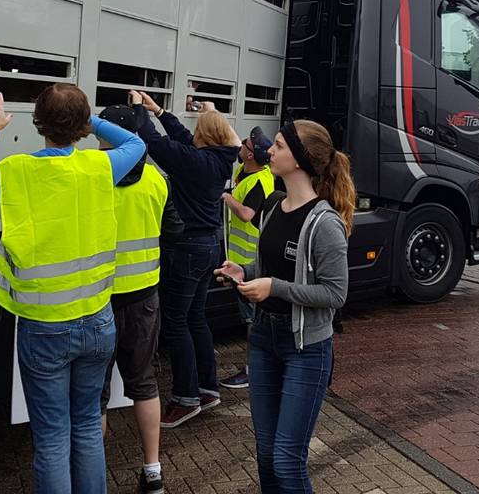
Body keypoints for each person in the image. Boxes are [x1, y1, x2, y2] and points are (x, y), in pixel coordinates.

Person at [0, 86, 146, 494]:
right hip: (98, 323)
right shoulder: (101, 167)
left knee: (53, 437)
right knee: (86, 429)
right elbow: (136, 140)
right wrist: (86, 120)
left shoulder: (18, 171)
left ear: (37, 122)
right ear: (81, 127)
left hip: (45, 329)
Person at [214, 119, 351, 494]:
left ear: (301, 158)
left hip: (305, 350)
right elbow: (273, 264)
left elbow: (335, 295)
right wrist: (245, 271)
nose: (268, 152)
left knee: (287, 461)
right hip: (263, 340)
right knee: (265, 453)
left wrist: (274, 287)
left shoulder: (325, 223)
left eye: (277, 145)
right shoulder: (274, 205)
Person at [127, 90, 239, 428]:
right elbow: (182, 137)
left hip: (187, 249)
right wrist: (159, 110)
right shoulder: (221, 157)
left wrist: (136, 109)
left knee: (176, 323)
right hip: (208, 249)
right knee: (195, 320)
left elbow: (152, 141)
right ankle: (208, 388)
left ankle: (186, 397)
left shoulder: (196, 161)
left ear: (204, 135)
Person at [95, 104, 180, 494]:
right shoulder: (157, 180)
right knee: (144, 383)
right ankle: (152, 471)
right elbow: (174, 228)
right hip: (144, 296)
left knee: (94, 393)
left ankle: (93, 473)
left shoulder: (94, 177)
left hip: (99, 298)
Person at [219, 126, 276, 389]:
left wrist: (227, 198)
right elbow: (232, 141)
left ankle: (253, 370)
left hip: (250, 264)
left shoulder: (258, 182)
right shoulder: (252, 170)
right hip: (242, 262)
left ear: (250, 155)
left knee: (252, 319)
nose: (240, 145)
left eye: (245, 144)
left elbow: (246, 215)